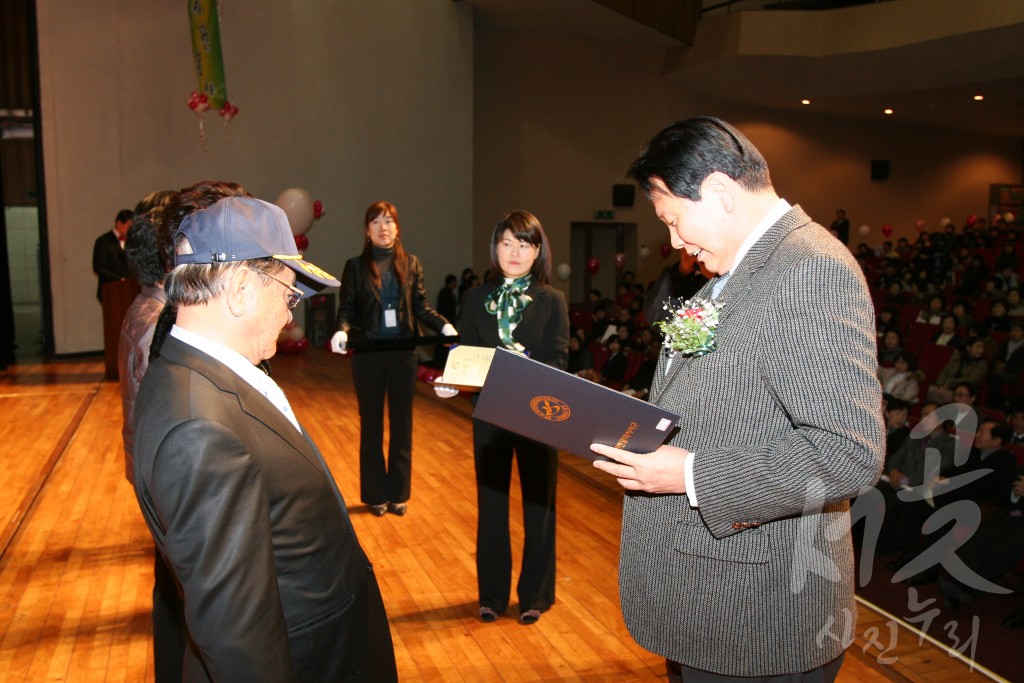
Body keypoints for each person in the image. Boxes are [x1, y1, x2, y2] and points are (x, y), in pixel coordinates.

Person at [589, 116, 883, 681]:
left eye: (674, 220)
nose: (674, 241)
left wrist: (693, 475)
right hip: (713, 597)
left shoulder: (809, 269)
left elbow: (848, 451)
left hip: (758, 610)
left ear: (721, 192)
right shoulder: (740, 268)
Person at [132, 196, 397, 682]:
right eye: (288, 293)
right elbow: (238, 640)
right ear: (238, 289)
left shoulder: (202, 373)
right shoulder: (200, 431)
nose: (291, 315)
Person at [434, 210, 569, 625]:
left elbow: (559, 358)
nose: (515, 252)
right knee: (491, 506)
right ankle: (490, 595)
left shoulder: (553, 300)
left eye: (524, 244)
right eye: (507, 242)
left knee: (538, 507)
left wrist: (525, 373)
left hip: (537, 415)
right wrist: (453, 382)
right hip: (490, 414)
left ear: (537, 251)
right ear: (495, 247)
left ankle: (535, 595)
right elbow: (466, 355)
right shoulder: (475, 297)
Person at [330, 201, 456, 517]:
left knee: (402, 426)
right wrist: (341, 329)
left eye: (389, 221)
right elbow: (346, 309)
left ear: (397, 228)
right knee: (371, 426)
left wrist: (443, 324)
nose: (383, 227)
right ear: (366, 230)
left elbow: (421, 305)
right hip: (368, 356)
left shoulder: (411, 264)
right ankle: (375, 495)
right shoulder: (355, 266)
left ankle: (398, 493)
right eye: (376, 221)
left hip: (403, 356)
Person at [92, 208, 134, 301]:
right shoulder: (103, 241)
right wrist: (120, 280)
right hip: (111, 290)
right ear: (119, 223)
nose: (131, 230)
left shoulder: (131, 241)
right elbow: (98, 267)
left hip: (129, 289)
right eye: (128, 226)